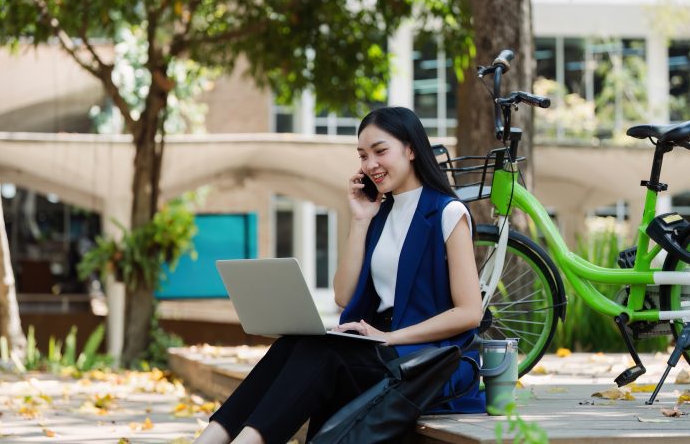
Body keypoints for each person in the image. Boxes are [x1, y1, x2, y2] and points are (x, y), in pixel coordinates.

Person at [196, 106, 484, 444]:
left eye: (380, 151)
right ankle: (210, 439)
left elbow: (469, 312)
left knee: (325, 354)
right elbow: (344, 297)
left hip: (427, 361)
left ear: (410, 149)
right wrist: (360, 219)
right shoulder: (378, 213)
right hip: (379, 349)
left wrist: (390, 337)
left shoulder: (447, 213)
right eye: (362, 155)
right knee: (295, 343)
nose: (370, 164)